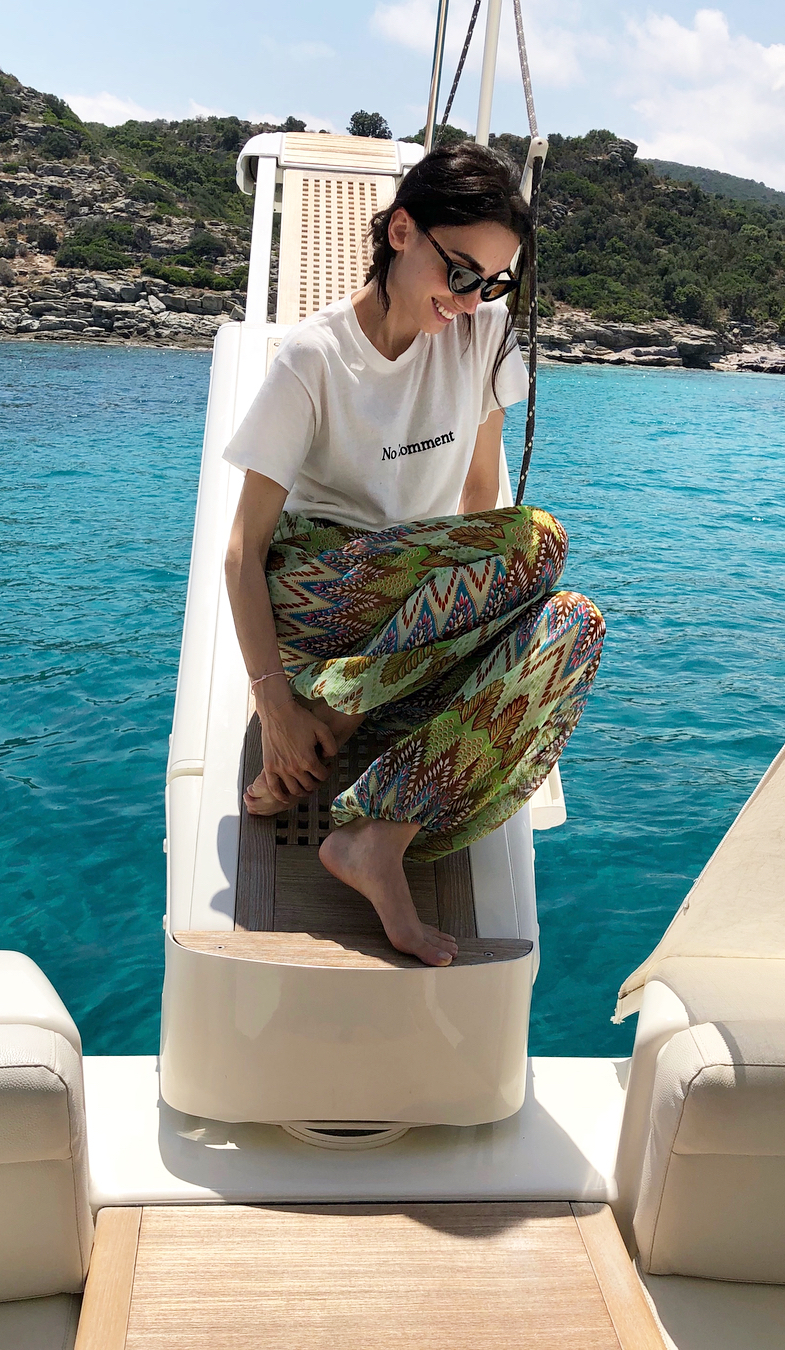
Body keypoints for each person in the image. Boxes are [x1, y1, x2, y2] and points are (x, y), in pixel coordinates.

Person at [223, 142, 604, 968]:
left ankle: (377, 833)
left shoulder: (484, 337)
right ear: (401, 231)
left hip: (416, 615)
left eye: (491, 284)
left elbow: (480, 499)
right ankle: (328, 718)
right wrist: (275, 709)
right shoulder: (315, 359)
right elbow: (242, 551)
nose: (468, 302)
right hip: (322, 595)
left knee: (573, 627)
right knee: (542, 540)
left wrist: (485, 638)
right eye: (460, 273)